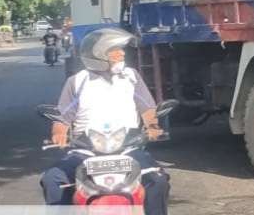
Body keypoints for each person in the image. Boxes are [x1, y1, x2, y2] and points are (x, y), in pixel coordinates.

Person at [41, 27, 168, 214]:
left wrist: (153, 127)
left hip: (127, 149)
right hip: (85, 151)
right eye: (115, 50)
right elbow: (62, 116)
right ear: (99, 55)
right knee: (53, 179)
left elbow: (147, 108)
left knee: (157, 180)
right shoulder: (78, 81)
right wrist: (59, 134)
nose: (122, 53)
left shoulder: (131, 77)